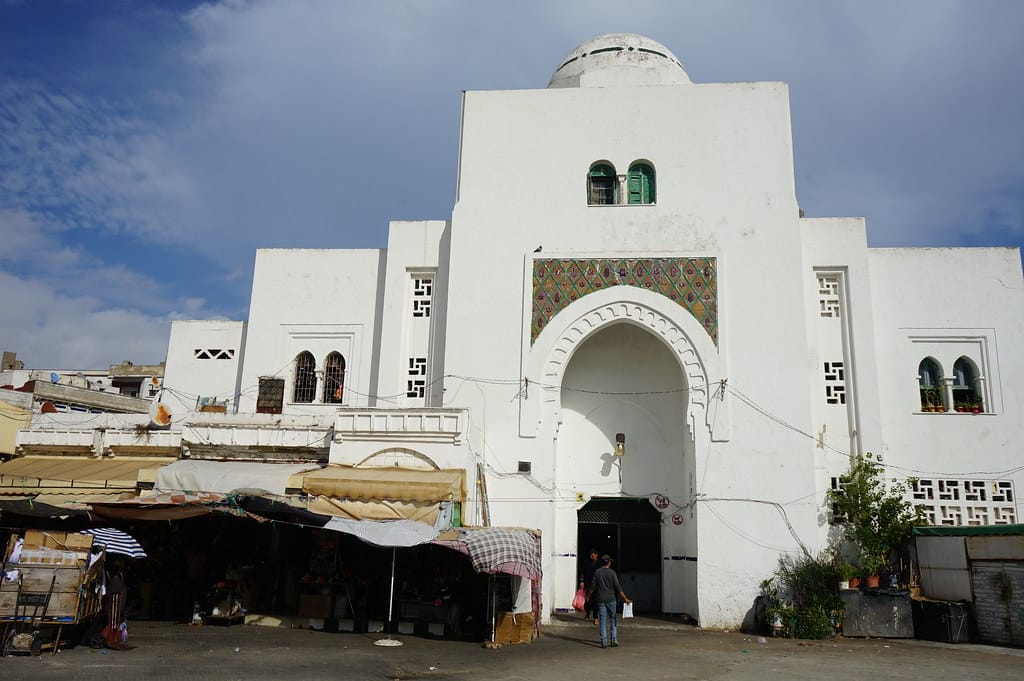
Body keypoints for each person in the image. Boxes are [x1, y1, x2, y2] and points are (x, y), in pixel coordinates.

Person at [587, 554, 631, 648]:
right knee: (612, 619)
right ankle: (613, 640)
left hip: (600, 599)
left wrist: (588, 596)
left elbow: (592, 586)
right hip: (611, 599)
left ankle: (603, 641)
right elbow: (618, 587)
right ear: (609, 562)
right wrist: (625, 598)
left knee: (602, 620)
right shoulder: (612, 573)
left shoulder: (597, 572)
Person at [579, 548, 601, 623]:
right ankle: (587, 614)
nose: (592, 556)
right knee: (587, 600)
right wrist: (582, 581)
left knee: (596, 601)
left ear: (596, 555)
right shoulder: (587, 563)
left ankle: (595, 617)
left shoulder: (599, 564)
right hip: (588, 584)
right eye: (591, 554)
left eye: (593, 555)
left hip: (597, 585)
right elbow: (582, 572)